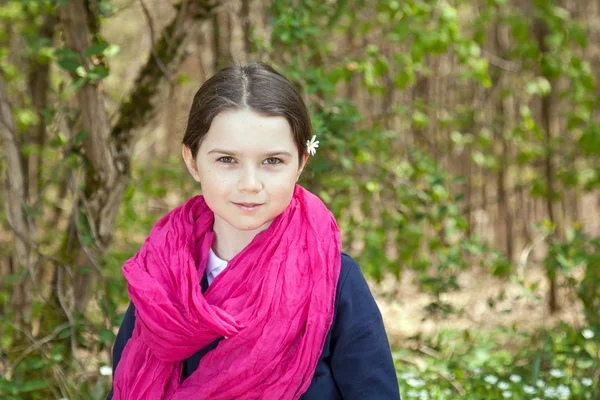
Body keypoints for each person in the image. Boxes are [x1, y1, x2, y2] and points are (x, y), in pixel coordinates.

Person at [107, 62, 400, 400]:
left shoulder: (336, 280)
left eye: (272, 161)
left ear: (301, 162)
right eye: (227, 160)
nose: (249, 184)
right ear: (192, 161)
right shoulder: (160, 278)